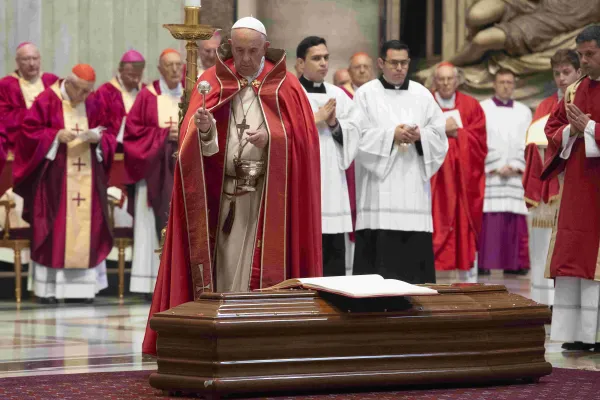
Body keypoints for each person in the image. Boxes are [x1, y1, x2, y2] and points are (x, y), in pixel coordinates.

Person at [142, 17, 322, 355]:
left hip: (269, 202)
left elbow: (305, 144)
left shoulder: (287, 85)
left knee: (261, 267)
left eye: (253, 51)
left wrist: (271, 137)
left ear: (265, 48)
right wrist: (205, 130)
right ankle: (227, 336)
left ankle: (264, 340)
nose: (245, 59)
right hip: (227, 198)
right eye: (238, 51)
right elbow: (195, 152)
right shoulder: (213, 81)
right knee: (225, 266)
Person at [13, 64, 116, 304]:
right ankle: (50, 291)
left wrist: (98, 138)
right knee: (54, 231)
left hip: (88, 179)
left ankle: (84, 290)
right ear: (68, 83)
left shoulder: (93, 102)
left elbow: (109, 133)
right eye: (80, 90)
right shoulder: (47, 100)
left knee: (88, 229)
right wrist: (54, 136)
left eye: (87, 91)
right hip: (55, 182)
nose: (83, 96)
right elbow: (27, 134)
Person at [352, 40, 448, 284]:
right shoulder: (365, 94)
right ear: (381, 63)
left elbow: (439, 136)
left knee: (414, 275)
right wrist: (390, 135)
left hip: (413, 193)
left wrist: (420, 137)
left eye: (404, 63)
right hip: (379, 195)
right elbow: (356, 137)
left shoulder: (422, 94)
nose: (399, 68)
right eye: (394, 63)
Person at [541, 25, 600, 351]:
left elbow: (584, 125)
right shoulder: (574, 91)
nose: (585, 60)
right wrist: (571, 132)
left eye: (590, 54)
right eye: (581, 54)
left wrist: (589, 127)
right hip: (578, 187)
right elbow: (553, 128)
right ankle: (579, 334)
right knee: (573, 258)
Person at [296, 36, 361, 276]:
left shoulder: (339, 95)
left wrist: (334, 123)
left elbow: (355, 135)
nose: (323, 63)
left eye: (326, 58)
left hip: (333, 183)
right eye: (316, 58)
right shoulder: (291, 92)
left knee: (333, 256)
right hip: (304, 180)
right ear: (301, 64)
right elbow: (282, 133)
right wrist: (315, 119)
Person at [523, 49, 581, 306]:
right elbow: (530, 145)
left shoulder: (584, 102)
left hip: (576, 187)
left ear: (579, 72)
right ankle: (542, 301)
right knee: (543, 246)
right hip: (548, 192)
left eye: (566, 72)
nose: (561, 78)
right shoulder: (545, 106)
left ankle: (568, 304)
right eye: (557, 73)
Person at [123, 49, 182, 295]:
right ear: (159, 69)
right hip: (153, 174)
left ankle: (176, 283)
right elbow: (132, 134)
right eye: (170, 65)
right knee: (150, 226)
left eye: (179, 65)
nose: (176, 70)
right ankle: (148, 283)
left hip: (181, 172)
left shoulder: (191, 93)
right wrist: (163, 135)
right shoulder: (147, 96)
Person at [430, 62, 487, 282]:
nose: (445, 83)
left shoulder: (471, 105)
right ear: (435, 81)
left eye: (449, 79)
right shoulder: (426, 103)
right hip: (434, 181)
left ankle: (465, 280)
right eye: (441, 79)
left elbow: (480, 143)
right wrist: (442, 130)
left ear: (457, 80)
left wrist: (459, 135)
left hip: (462, 181)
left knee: (462, 227)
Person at [479, 68, 531, 276]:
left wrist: (516, 165)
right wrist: (495, 165)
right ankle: (485, 262)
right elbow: (479, 141)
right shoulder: (482, 108)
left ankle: (516, 264)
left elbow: (528, 143)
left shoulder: (524, 111)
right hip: (492, 172)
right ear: (494, 84)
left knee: (514, 218)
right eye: (502, 82)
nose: (506, 86)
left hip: (515, 173)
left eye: (510, 82)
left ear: (514, 85)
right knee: (490, 218)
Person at [451, 0, 600, 66]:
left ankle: (449, 65)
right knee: (475, 15)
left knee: (482, 40)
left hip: (545, 22)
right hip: (529, 3)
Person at [0, 42, 58, 150]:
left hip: (51, 140)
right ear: (17, 62)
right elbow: (3, 117)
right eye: (26, 59)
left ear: (40, 59)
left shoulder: (51, 80)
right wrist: (33, 114)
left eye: (35, 58)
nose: (32, 63)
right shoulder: (5, 85)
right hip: (21, 140)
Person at [95, 50, 145, 144]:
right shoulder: (105, 92)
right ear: (120, 70)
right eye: (131, 75)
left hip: (141, 148)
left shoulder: (146, 91)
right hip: (115, 148)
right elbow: (99, 125)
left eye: (139, 75)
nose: (136, 80)